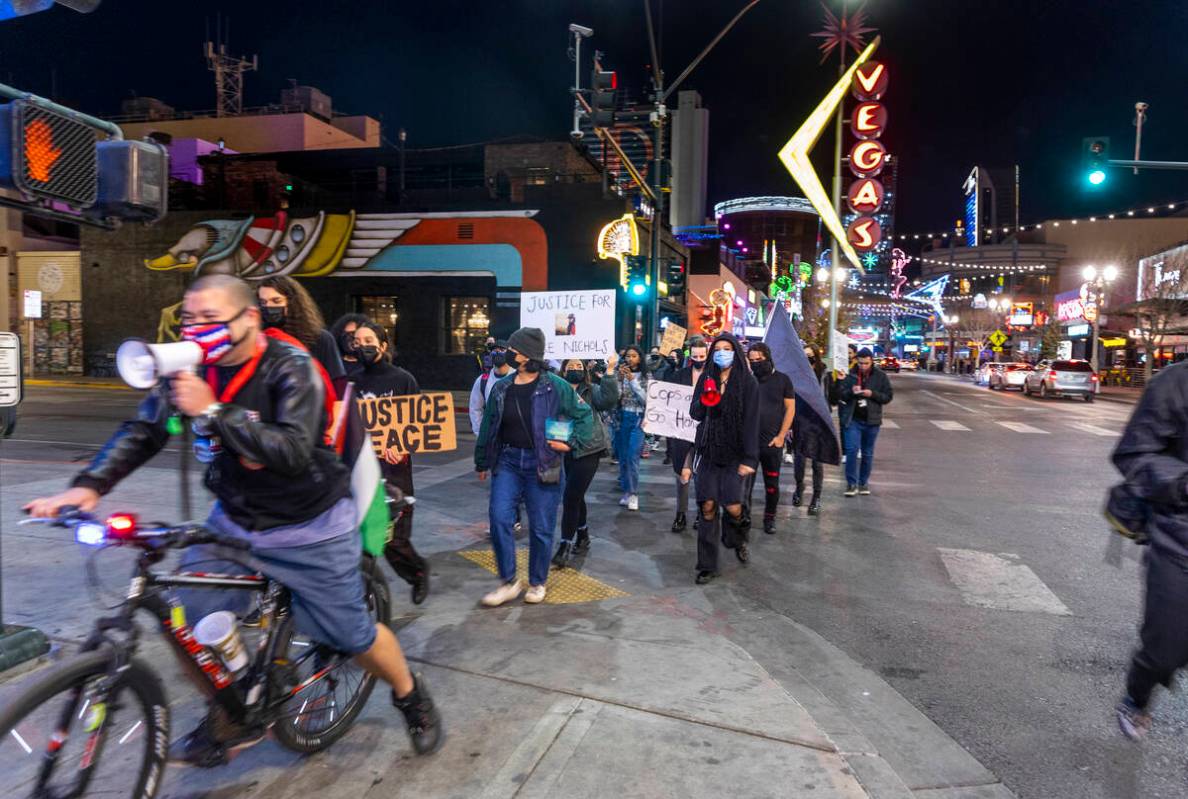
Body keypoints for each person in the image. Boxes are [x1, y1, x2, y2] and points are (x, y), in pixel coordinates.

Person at [24, 274, 441, 762]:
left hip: (308, 527)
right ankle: (236, 700)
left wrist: (214, 410)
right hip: (235, 521)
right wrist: (89, 486)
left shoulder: (292, 368)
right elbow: (144, 428)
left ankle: (409, 693)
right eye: (189, 319)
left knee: (351, 637)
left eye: (210, 318)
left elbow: (291, 449)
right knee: (185, 615)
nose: (197, 328)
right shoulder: (190, 369)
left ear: (248, 318)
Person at [474, 326, 594, 606]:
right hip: (508, 462)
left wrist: (572, 442)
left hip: (544, 463)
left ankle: (538, 582)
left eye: (512, 350)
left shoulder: (555, 385)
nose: (507, 354)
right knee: (500, 518)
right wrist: (482, 459)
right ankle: (509, 582)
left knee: (541, 527)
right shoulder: (502, 387)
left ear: (528, 355)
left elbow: (585, 415)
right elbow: (489, 424)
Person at [1111, 360, 1188, 740]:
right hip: (1179, 542)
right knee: (1165, 650)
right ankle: (1136, 697)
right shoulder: (1175, 382)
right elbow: (1133, 454)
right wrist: (1181, 482)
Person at [352, 321, 430, 606]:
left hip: (395, 472)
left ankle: (418, 572)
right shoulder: (351, 382)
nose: (362, 345)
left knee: (392, 539)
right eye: (357, 341)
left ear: (383, 346)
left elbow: (420, 423)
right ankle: (365, 591)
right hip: (360, 471)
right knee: (364, 537)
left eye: (369, 339)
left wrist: (403, 445)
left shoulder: (403, 380)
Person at [687, 333, 759, 584]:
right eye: (717, 349)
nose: (722, 353)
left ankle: (737, 538)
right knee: (707, 507)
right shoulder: (707, 378)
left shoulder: (748, 383)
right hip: (708, 451)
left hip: (734, 453)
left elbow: (752, 422)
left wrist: (750, 458)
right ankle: (707, 565)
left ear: (735, 352)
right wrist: (708, 398)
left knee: (733, 507)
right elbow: (694, 413)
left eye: (727, 348)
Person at [552, 357, 619, 568]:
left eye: (578, 366)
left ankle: (565, 544)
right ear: (563, 370)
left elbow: (609, 400)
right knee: (576, 494)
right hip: (565, 447)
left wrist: (609, 371)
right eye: (570, 366)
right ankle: (583, 533)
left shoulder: (592, 390)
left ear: (584, 371)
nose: (574, 369)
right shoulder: (556, 390)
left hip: (589, 447)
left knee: (570, 496)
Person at [257, 276, 347, 397]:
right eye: (263, 302)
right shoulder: (256, 341)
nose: (268, 306)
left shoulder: (320, 339)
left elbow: (339, 387)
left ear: (293, 303)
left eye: (276, 301)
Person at [745, 343, 796, 534]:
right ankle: (745, 517)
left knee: (772, 485)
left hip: (772, 444)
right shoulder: (747, 380)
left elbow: (790, 409)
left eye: (759, 360)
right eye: (751, 361)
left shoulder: (783, 380)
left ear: (767, 357)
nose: (755, 364)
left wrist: (781, 436)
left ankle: (770, 518)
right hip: (749, 444)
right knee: (745, 486)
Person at [831, 347, 893, 497]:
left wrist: (872, 394)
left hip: (872, 420)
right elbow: (840, 396)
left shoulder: (880, 376)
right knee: (852, 451)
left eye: (866, 363)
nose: (863, 366)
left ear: (871, 361)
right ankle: (851, 483)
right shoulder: (850, 375)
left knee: (867, 453)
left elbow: (888, 396)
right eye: (860, 363)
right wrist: (850, 390)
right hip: (853, 419)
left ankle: (863, 482)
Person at [668, 337, 708, 532]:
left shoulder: (712, 377)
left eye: (702, 356)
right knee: (683, 474)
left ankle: (702, 513)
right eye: (695, 356)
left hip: (705, 433)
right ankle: (681, 514)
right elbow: (667, 401)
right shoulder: (680, 375)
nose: (698, 359)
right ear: (689, 356)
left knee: (701, 475)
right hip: (682, 431)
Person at [792, 344, 828, 516]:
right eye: (804, 355)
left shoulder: (825, 375)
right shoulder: (796, 375)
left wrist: (841, 381)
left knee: (816, 462)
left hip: (819, 423)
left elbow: (833, 398)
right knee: (799, 461)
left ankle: (816, 497)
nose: (807, 358)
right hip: (800, 421)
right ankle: (799, 487)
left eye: (810, 355)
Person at [614, 345, 648, 509]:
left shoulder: (646, 375)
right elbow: (616, 398)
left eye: (634, 356)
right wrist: (619, 381)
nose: (630, 359)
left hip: (638, 418)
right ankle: (626, 492)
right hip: (622, 418)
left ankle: (634, 494)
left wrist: (633, 381)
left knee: (632, 457)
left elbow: (646, 399)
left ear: (640, 358)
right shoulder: (619, 374)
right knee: (623, 458)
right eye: (628, 356)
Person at [469, 340, 511, 435]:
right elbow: (475, 408)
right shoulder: (482, 380)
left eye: (502, 349)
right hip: (492, 436)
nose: (497, 352)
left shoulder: (518, 377)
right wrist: (480, 433)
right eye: (494, 350)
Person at [330, 312, 372, 379]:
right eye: (347, 334)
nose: (351, 338)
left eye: (355, 333)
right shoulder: (333, 365)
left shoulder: (373, 366)